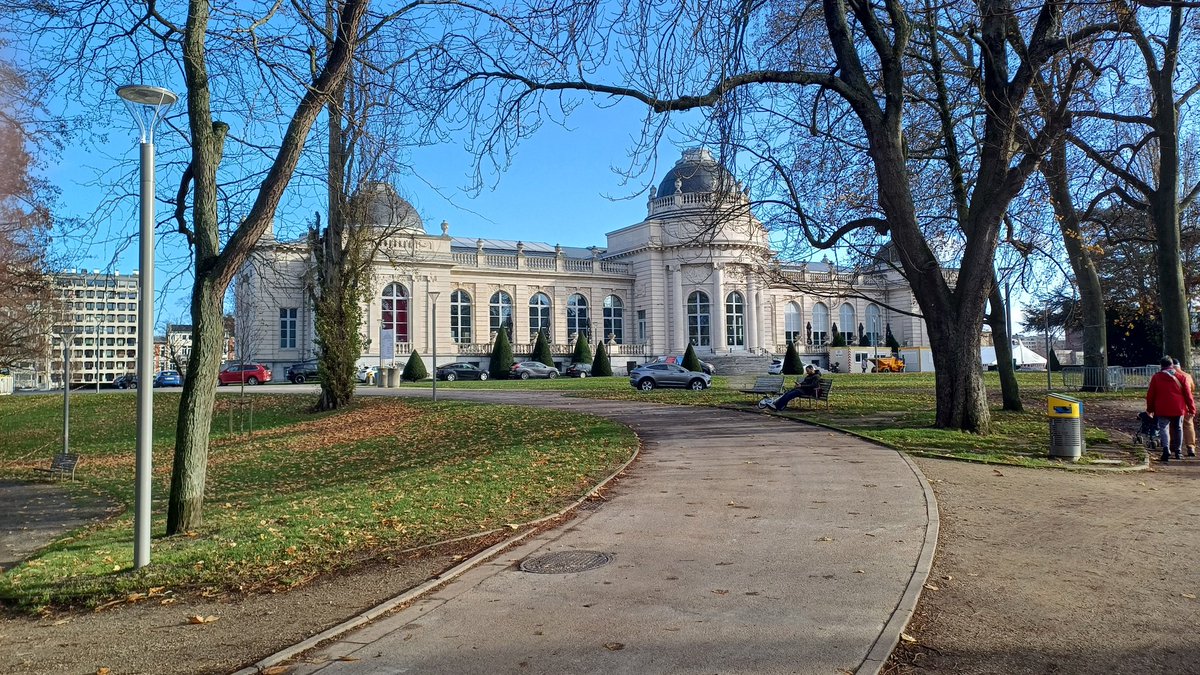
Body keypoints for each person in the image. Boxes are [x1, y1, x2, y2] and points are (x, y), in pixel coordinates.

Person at [1146, 356, 1196, 462]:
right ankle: (1178, 451)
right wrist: (1192, 409)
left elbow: (1150, 395)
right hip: (1178, 408)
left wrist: (1150, 409)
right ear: (1171, 365)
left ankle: (1166, 449)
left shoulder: (1156, 377)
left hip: (1162, 408)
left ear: (1161, 365)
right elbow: (1188, 394)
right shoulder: (1181, 377)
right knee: (1178, 428)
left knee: (1163, 428)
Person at [1173, 358, 1197, 458]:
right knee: (1188, 425)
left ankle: (1172, 445)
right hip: (1187, 405)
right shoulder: (1187, 376)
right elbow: (1192, 388)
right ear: (1180, 366)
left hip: (1175, 405)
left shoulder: (1170, 375)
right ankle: (1191, 447)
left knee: (1172, 425)